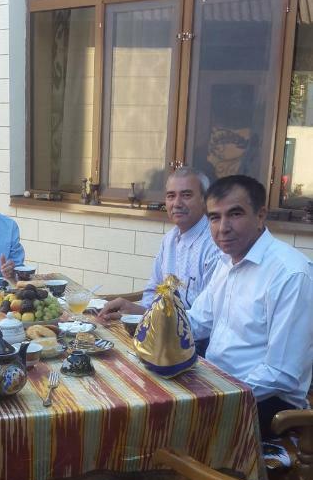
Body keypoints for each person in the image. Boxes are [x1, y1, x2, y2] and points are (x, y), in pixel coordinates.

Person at [188, 175, 313, 438]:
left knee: (167, 428)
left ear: (260, 216)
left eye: (235, 214)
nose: (223, 227)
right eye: (214, 217)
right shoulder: (226, 261)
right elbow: (197, 322)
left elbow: (281, 373)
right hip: (218, 385)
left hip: (266, 402)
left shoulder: (290, 274)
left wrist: (218, 396)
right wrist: (149, 326)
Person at [98, 167, 220, 321]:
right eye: (171, 196)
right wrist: (132, 310)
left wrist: (147, 319)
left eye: (186, 195)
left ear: (205, 200)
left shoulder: (215, 244)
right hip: (160, 330)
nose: (177, 203)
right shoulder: (169, 239)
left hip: (194, 340)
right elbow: (153, 291)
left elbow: (205, 319)